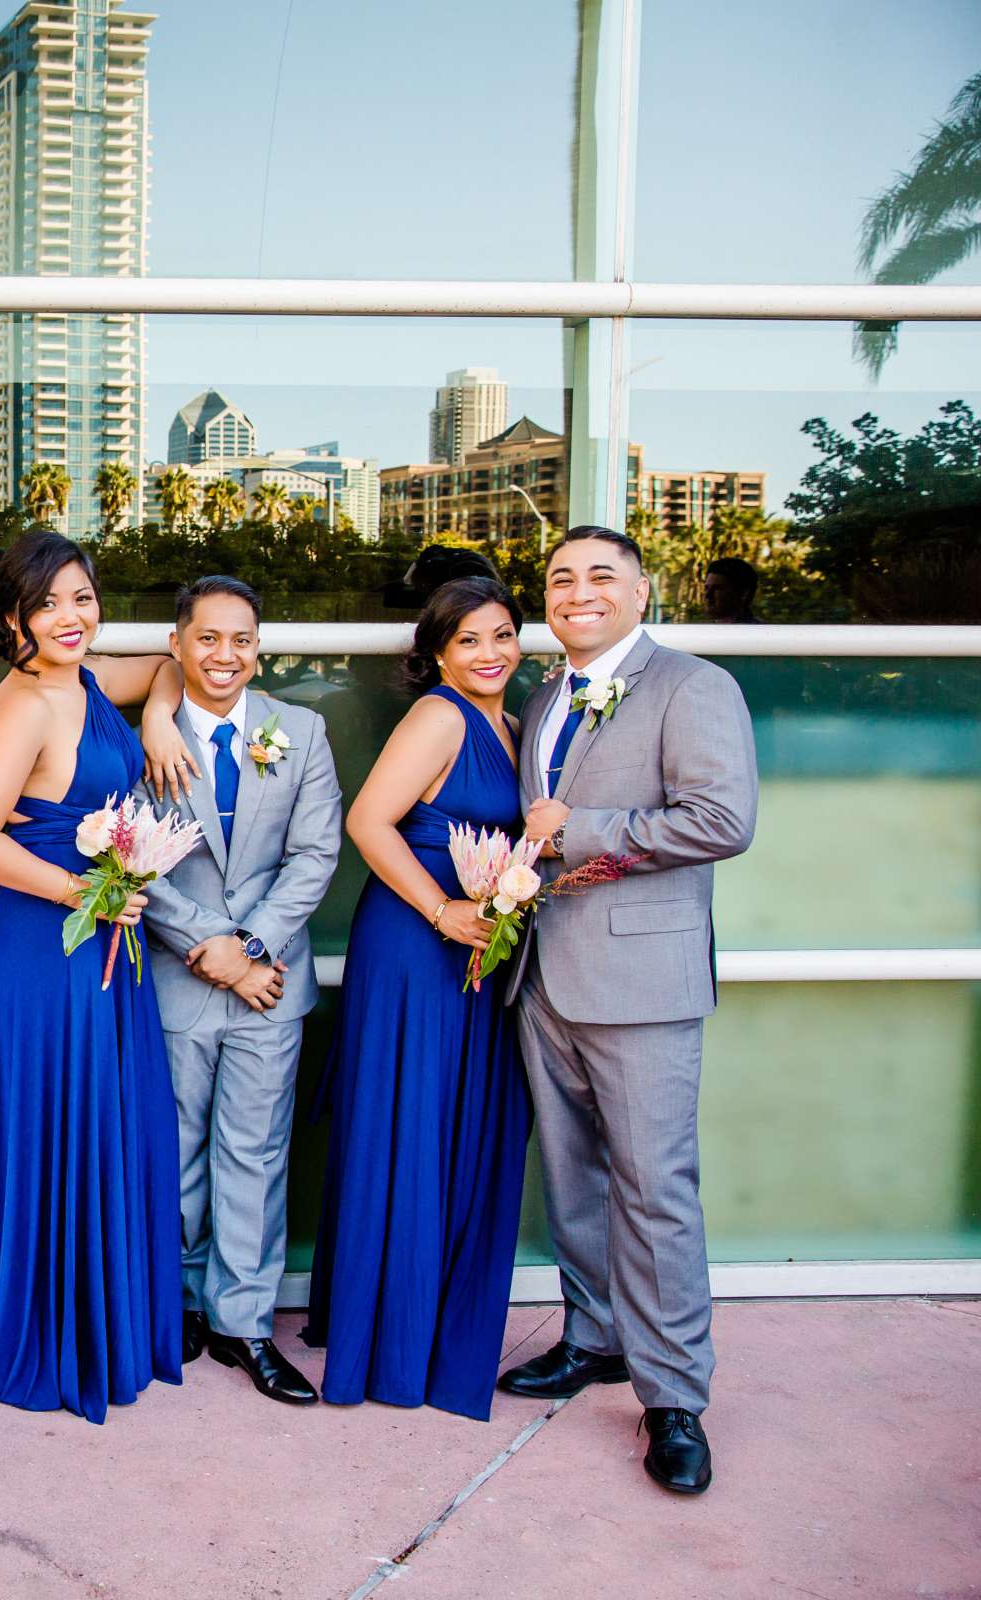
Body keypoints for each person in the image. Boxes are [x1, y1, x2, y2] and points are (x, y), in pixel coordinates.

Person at [499, 527, 758, 1495]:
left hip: (643, 983)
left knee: (655, 1190)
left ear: (642, 593)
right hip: (547, 974)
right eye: (562, 578)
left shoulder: (693, 688)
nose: (579, 591)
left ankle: (675, 1395)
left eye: (601, 575)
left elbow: (722, 820)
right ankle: (594, 1337)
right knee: (574, 1185)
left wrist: (585, 829)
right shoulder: (541, 699)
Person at [0, 531, 189, 1423]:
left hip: (100, 937)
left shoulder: (86, 679)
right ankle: (54, 1330)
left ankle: (101, 1317)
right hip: (48, 947)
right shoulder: (26, 704)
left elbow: (167, 662)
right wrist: (87, 890)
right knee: (63, 1121)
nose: (70, 617)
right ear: (13, 618)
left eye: (82, 598)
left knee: (106, 1120)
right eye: (47, 604)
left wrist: (161, 713)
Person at [304, 576, 531, 1420]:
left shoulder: (513, 724)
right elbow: (369, 821)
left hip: (477, 942)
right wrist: (442, 908)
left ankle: (423, 1317)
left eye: (502, 634)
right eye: (468, 639)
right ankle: (390, 1340)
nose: (489, 653)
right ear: (437, 652)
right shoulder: (441, 715)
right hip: (416, 941)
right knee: (412, 1123)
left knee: (453, 1125)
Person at [134, 576, 341, 1407]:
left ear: (261, 647)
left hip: (270, 983)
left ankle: (244, 1323)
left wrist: (249, 945)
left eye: (242, 640)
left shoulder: (303, 731)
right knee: (177, 1151)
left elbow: (314, 854)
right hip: (179, 980)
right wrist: (204, 945)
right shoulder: (138, 739)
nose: (226, 655)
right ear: (178, 646)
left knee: (254, 1154)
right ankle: (180, 1305)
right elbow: (129, 851)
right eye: (209, 639)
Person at [701, 557, 761, 624]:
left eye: (717, 588)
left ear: (743, 594)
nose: (707, 595)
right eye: (706, 588)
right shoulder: (703, 631)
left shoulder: (760, 631)